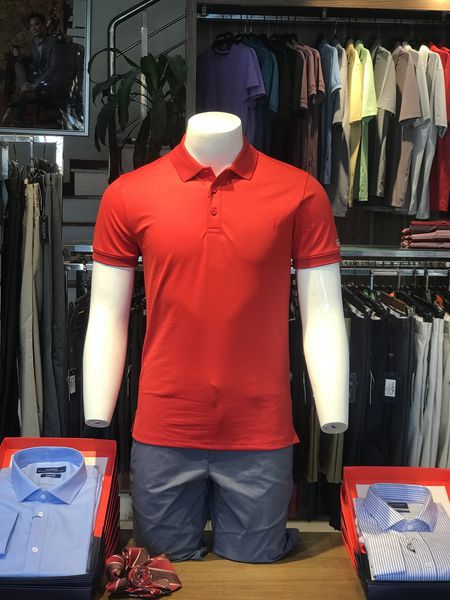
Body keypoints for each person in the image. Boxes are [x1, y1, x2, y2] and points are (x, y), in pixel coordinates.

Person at [84, 111, 349, 563]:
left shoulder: (300, 192)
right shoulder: (128, 194)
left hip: (259, 432)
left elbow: (323, 312)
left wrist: (333, 410)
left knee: (254, 573)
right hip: (165, 428)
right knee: (163, 572)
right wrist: (97, 407)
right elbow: (107, 313)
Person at [6, 13, 66, 126]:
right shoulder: (35, 42)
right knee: (18, 65)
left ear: (44, 25)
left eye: (37, 24)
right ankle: (24, 87)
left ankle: (17, 118)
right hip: (35, 78)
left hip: (48, 83)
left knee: (20, 89)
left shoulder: (54, 43)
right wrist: (19, 56)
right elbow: (28, 59)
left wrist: (35, 85)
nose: (34, 28)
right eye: (31, 25)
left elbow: (54, 69)